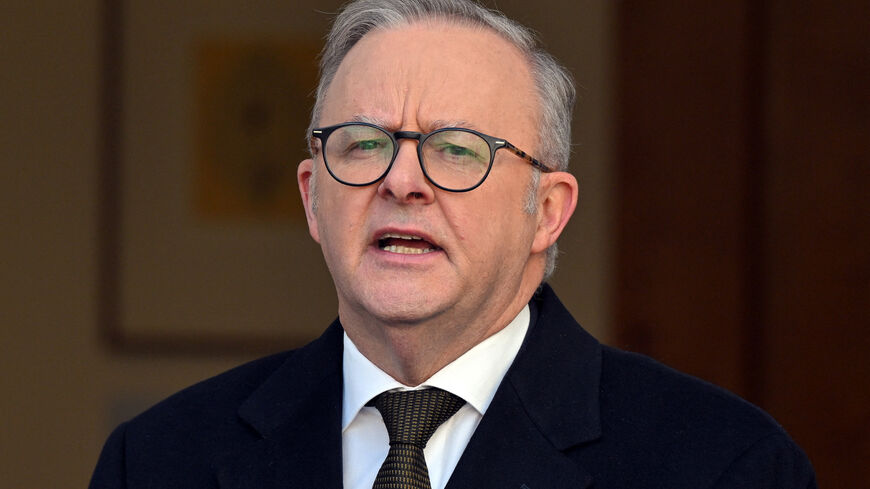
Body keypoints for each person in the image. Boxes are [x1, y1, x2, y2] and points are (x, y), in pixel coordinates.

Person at [89, 0, 817, 488]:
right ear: (313, 197)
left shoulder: (724, 464)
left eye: (459, 150)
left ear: (548, 211)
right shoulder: (157, 460)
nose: (402, 180)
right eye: (365, 143)